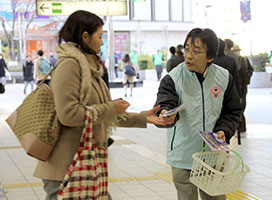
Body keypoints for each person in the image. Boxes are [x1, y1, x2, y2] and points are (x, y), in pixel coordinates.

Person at [33, 10, 171, 200]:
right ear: (85, 36)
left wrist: (142, 117)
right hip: (67, 167)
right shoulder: (70, 65)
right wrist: (111, 108)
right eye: (100, 36)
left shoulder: (89, 67)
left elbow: (101, 112)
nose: (102, 41)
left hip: (86, 163)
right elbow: (68, 114)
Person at [153, 28, 242, 200]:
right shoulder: (173, 78)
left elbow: (232, 111)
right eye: (187, 49)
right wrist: (165, 114)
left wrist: (224, 130)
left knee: (215, 197)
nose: (188, 55)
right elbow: (163, 105)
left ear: (210, 57)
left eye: (195, 51)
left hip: (212, 155)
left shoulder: (223, 78)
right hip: (182, 153)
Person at [232, 44, 253, 132]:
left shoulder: (244, 59)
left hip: (243, 86)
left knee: (242, 104)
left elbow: (250, 70)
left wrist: (246, 79)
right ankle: (239, 125)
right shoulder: (233, 60)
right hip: (236, 85)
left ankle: (241, 125)